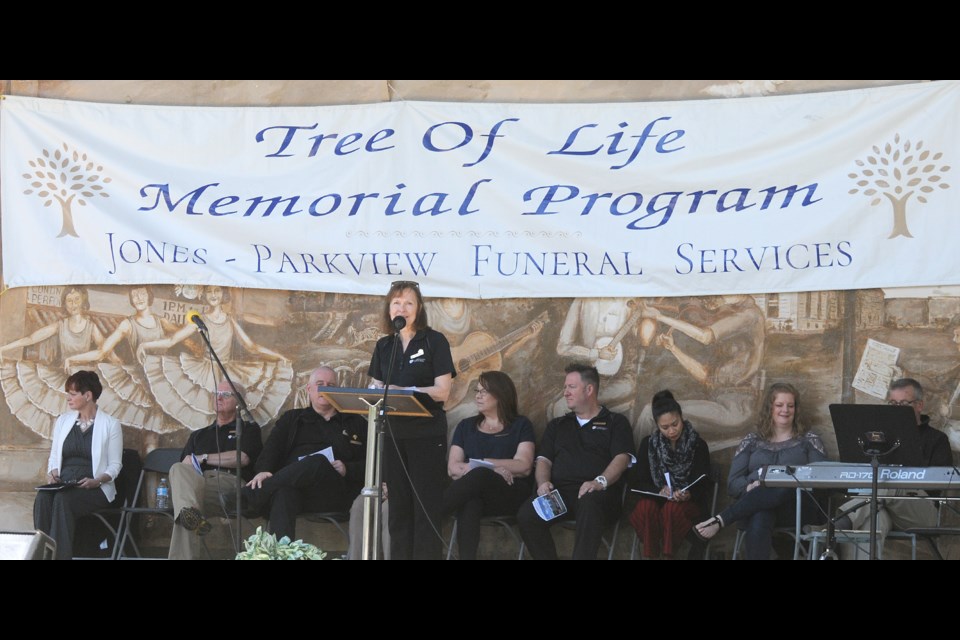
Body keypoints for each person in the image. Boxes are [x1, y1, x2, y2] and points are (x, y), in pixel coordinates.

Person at [368, 280, 455, 560]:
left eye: (408, 303)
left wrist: (405, 391)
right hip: (393, 435)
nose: (401, 308)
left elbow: (442, 391)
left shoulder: (434, 341)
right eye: (396, 303)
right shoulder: (384, 345)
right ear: (389, 308)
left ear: (418, 309)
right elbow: (375, 387)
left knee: (424, 509)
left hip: (426, 436)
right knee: (398, 511)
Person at [693, 382, 826, 560]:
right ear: (769, 408)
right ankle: (729, 515)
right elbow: (733, 484)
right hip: (755, 505)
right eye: (779, 405)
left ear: (796, 409)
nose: (785, 410)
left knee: (781, 481)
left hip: (795, 509)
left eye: (790, 405)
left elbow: (821, 479)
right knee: (761, 514)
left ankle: (721, 519)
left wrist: (776, 482)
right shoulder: (752, 440)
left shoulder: (809, 440)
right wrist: (751, 487)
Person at [517, 363, 635, 560]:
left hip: (598, 496)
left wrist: (599, 482)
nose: (565, 393)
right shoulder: (558, 425)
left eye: (571, 387)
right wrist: (543, 482)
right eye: (565, 387)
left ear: (589, 389)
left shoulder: (615, 422)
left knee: (589, 503)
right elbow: (544, 460)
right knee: (527, 514)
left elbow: (622, 458)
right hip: (560, 495)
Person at [137, 285, 293, 430]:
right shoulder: (200, 320)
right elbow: (172, 340)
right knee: (208, 413)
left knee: (231, 412)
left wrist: (277, 355)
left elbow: (251, 346)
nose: (213, 295)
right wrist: (145, 345)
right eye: (209, 291)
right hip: (205, 371)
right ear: (204, 295)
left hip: (228, 370)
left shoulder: (230, 319)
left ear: (223, 294)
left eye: (217, 291)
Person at [241, 366, 366, 540]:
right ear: (309, 389)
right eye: (319, 383)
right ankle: (281, 555)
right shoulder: (292, 419)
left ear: (336, 389)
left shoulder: (355, 422)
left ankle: (251, 497)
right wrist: (263, 470)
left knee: (318, 461)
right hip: (297, 491)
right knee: (283, 494)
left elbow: (373, 463)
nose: (324, 388)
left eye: (330, 384)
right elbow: (271, 449)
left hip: (335, 492)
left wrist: (348, 469)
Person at [835, 378, 952, 559]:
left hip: (921, 511)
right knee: (869, 526)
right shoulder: (880, 438)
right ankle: (845, 523)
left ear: (919, 405)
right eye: (893, 403)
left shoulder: (937, 439)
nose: (897, 409)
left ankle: (842, 519)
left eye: (903, 404)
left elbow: (939, 485)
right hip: (881, 505)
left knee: (887, 480)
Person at [1, 286, 118, 439]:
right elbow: (32, 338)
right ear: (65, 304)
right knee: (61, 410)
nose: (73, 304)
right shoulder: (61, 325)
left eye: (77, 300)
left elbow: (105, 351)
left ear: (83, 301)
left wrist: (120, 366)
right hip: (65, 376)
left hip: (84, 379)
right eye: (69, 301)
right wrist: (3, 348)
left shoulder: (91, 327)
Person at [442, 370, 535, 560]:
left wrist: (487, 465)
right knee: (471, 500)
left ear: (500, 395)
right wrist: (496, 469)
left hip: (508, 494)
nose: (478, 395)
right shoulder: (466, 426)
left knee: (480, 475)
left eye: (484, 391)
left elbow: (524, 465)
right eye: (477, 391)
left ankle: (432, 514)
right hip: (472, 494)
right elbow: (453, 468)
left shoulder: (520, 425)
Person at [167, 380, 262, 560]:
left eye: (226, 395)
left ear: (239, 402)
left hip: (231, 485)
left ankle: (190, 515)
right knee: (178, 474)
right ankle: (191, 515)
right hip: (198, 483)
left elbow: (242, 458)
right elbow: (183, 469)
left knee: (184, 507)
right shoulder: (198, 435)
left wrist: (203, 458)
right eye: (216, 393)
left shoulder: (248, 429)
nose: (219, 398)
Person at [33, 370, 123, 560]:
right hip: (65, 484)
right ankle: (41, 554)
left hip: (95, 488)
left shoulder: (110, 424)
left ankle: (59, 557)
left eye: (73, 394)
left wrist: (97, 481)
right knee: (43, 498)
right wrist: (53, 472)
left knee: (63, 500)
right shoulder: (63, 421)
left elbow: (115, 465)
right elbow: (55, 454)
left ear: (88, 395)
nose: (68, 398)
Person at [64, 285, 173, 433]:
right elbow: (102, 352)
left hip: (163, 380)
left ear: (149, 295)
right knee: (147, 428)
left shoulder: (162, 322)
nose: (139, 298)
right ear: (131, 300)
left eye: (142, 294)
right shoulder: (127, 324)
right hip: (141, 382)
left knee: (156, 432)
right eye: (135, 295)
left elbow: (183, 338)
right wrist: (72, 359)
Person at [629, 390, 711, 559]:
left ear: (681, 417)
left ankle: (668, 556)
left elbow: (702, 482)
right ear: (657, 426)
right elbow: (638, 481)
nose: (672, 431)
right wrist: (658, 491)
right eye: (665, 427)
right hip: (658, 502)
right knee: (646, 507)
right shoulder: (649, 444)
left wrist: (688, 494)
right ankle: (651, 556)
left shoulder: (697, 444)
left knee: (671, 510)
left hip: (688, 505)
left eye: (675, 424)